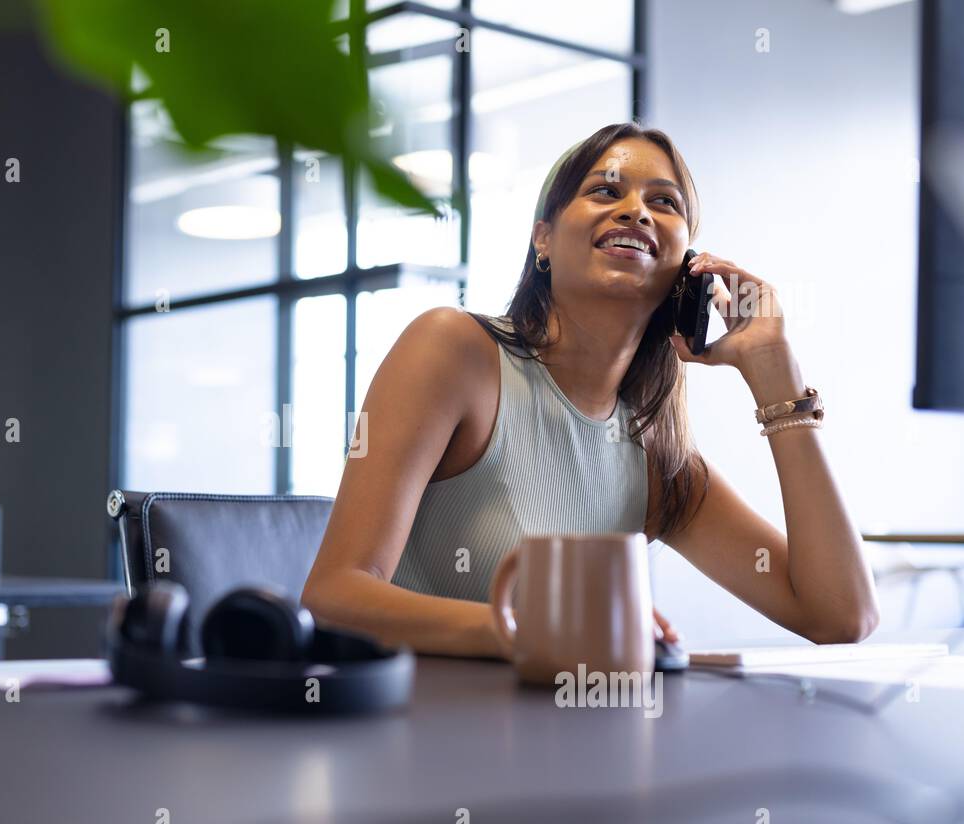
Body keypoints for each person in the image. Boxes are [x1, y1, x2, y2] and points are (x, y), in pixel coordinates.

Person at [301, 122, 879, 658]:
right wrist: (533, 629)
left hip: (572, 752)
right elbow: (335, 594)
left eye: (664, 202)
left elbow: (840, 616)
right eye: (605, 192)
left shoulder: (659, 457)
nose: (636, 212)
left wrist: (775, 370)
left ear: (688, 269)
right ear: (544, 241)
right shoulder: (453, 350)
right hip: (421, 746)